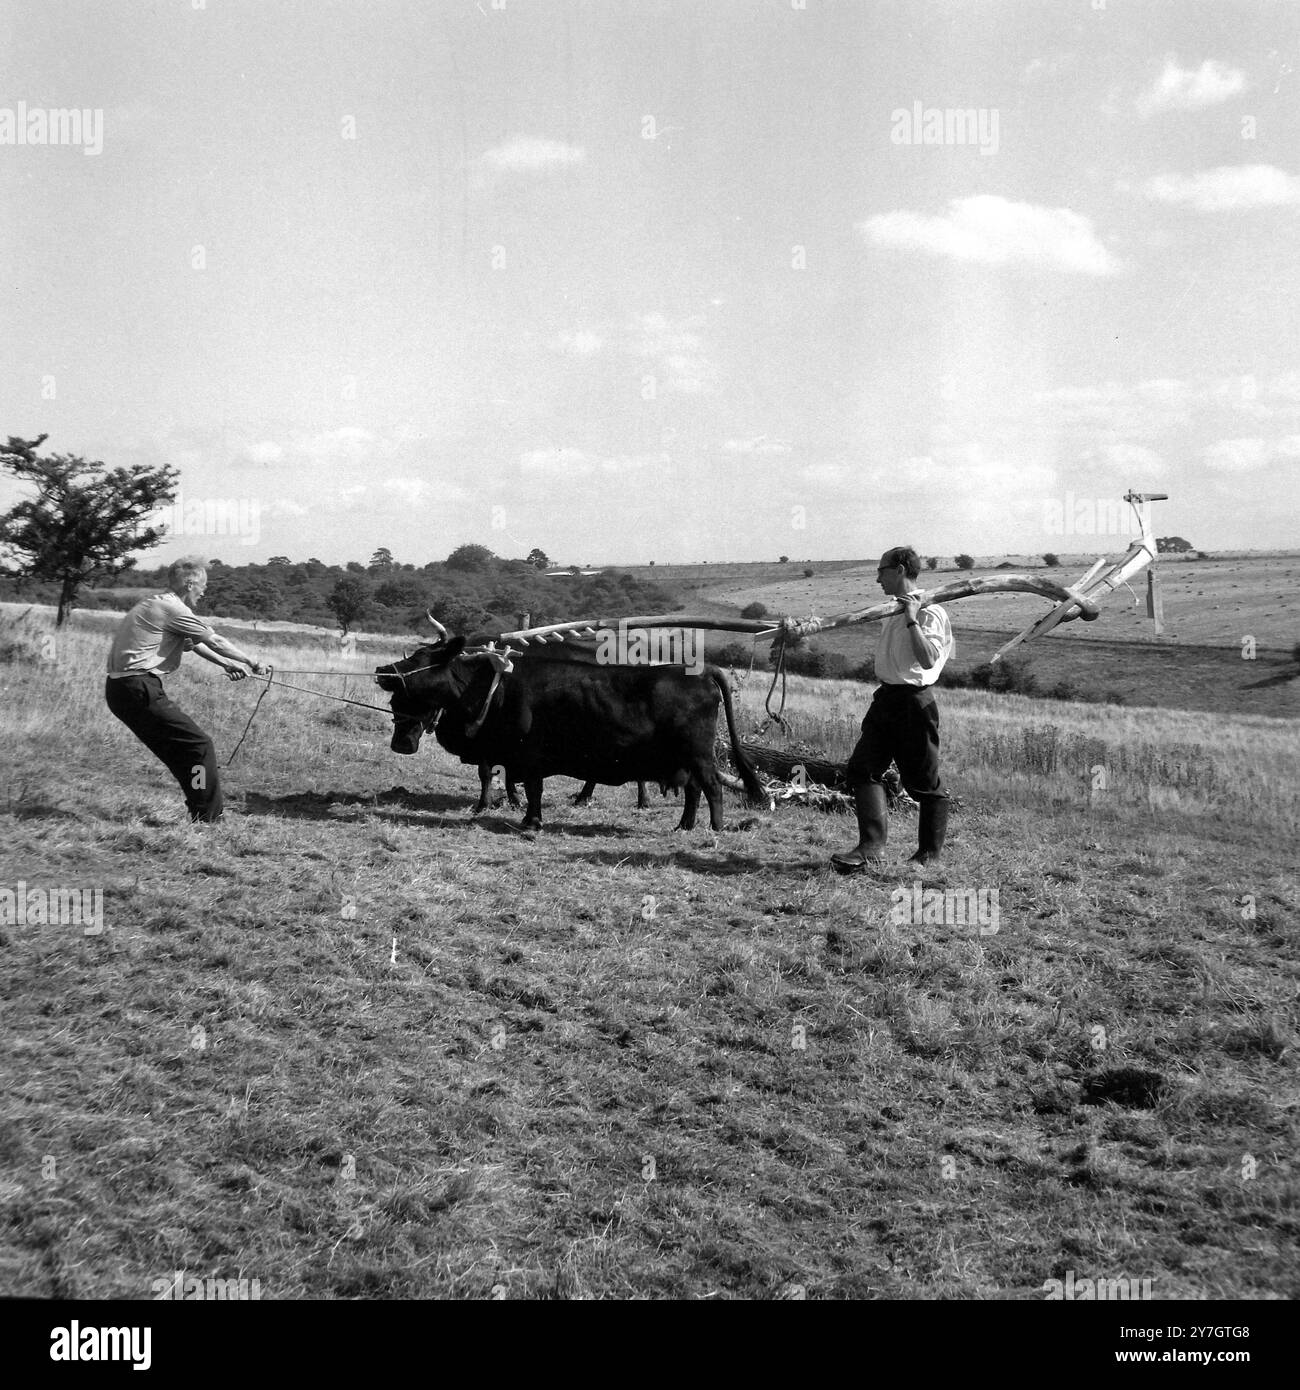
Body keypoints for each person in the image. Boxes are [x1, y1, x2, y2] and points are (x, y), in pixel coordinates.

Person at [105, 556, 268, 823]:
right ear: (190, 582)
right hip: (137, 687)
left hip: (123, 690)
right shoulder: (173, 609)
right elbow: (214, 639)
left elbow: (196, 643)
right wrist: (251, 661)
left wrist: (227, 665)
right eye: (202, 585)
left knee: (183, 752)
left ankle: (201, 811)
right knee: (199, 746)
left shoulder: (157, 605)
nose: (204, 591)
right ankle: (209, 818)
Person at [832, 545, 954, 872]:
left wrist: (912, 620)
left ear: (899, 570)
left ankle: (929, 855)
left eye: (881, 570)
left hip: (914, 704)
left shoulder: (930, 612)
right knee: (862, 769)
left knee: (924, 783)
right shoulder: (891, 609)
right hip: (886, 700)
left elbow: (928, 658)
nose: (877, 578)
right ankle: (871, 848)